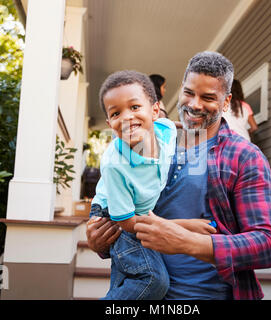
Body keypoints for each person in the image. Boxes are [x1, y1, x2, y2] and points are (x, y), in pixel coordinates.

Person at [87, 52, 271, 300]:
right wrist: (99, 241)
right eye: (189, 93)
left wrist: (186, 241)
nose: (195, 104)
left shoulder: (244, 157)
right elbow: (121, 214)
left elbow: (266, 246)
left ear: (226, 102)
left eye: (208, 97)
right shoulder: (144, 142)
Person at [89, 70, 217, 300]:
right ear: (109, 123)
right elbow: (125, 223)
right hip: (116, 214)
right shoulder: (115, 164)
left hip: (138, 212)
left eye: (135, 107)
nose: (127, 117)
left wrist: (202, 130)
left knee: (127, 281)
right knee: (152, 280)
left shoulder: (166, 130)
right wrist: (184, 226)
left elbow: (179, 127)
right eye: (116, 113)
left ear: (155, 110)